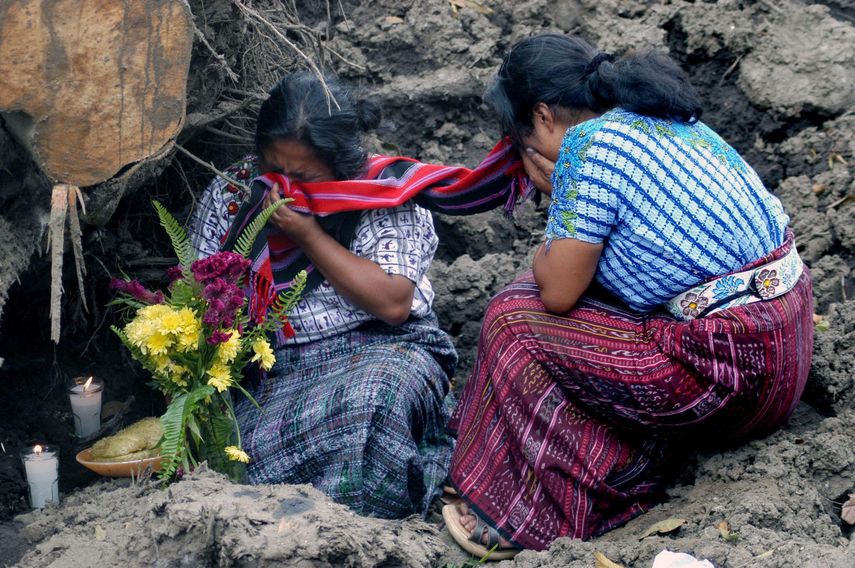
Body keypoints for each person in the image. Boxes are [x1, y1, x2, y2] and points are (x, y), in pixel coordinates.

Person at [442, 34, 813, 558]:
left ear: (543, 117)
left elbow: (556, 293)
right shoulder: (665, 116)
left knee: (514, 316)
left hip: (732, 380)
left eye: (521, 143)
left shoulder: (585, 144)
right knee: (595, 304)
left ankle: (532, 513)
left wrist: (558, 193)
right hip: (785, 350)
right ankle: (594, 463)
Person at [189, 71, 531, 518]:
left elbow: (392, 304)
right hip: (276, 371)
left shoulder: (383, 192)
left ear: (341, 162)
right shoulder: (236, 193)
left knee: (371, 401)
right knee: (238, 445)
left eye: (303, 174)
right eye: (275, 169)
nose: (284, 186)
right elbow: (200, 288)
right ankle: (291, 514)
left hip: (383, 348)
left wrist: (308, 236)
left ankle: (353, 521)